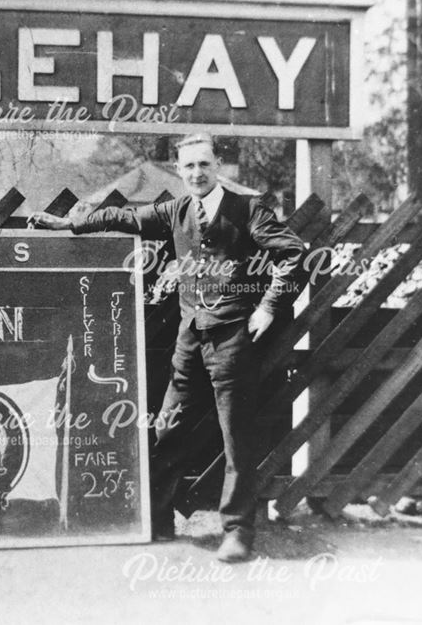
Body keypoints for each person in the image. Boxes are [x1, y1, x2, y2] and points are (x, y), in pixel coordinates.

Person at [29, 133, 305, 562]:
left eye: (204, 164)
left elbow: (293, 253)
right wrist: (70, 224)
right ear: (179, 170)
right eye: (189, 166)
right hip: (189, 339)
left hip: (234, 337)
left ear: (218, 166)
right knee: (168, 428)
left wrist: (268, 307)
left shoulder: (248, 209)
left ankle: (237, 532)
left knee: (237, 438)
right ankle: (156, 521)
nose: (196, 173)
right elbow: (125, 218)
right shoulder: (176, 211)